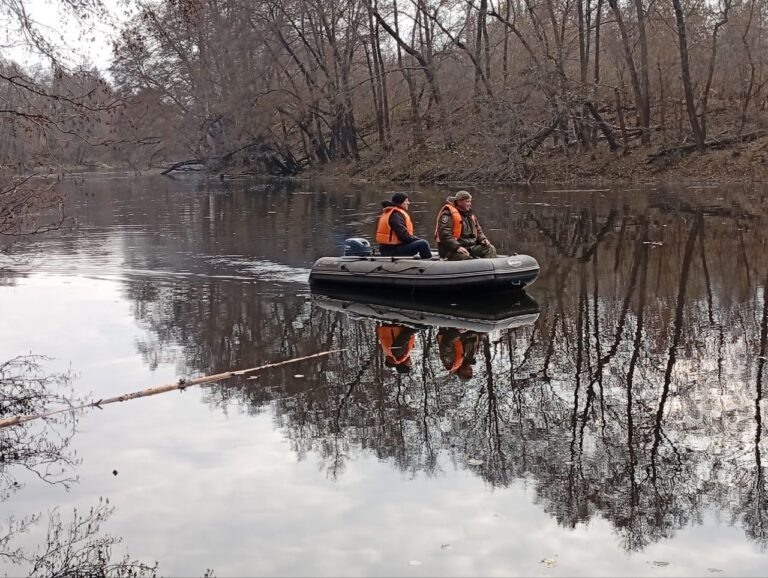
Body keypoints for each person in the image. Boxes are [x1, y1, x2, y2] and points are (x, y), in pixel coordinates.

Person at [434, 190, 497, 260]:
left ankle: (488, 268)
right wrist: (457, 247)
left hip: (470, 246)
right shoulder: (448, 214)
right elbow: (444, 235)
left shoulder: (470, 215)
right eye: (467, 201)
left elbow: (478, 230)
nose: (470, 204)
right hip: (451, 249)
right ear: (459, 202)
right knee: (465, 258)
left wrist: (483, 239)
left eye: (470, 201)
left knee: (490, 249)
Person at [376, 192, 433, 259]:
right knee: (423, 243)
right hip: (391, 250)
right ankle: (428, 263)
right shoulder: (395, 216)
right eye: (406, 201)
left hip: (389, 248)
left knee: (421, 242)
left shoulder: (393, 212)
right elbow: (404, 237)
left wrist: (415, 239)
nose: (408, 203)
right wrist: (418, 239)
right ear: (401, 202)